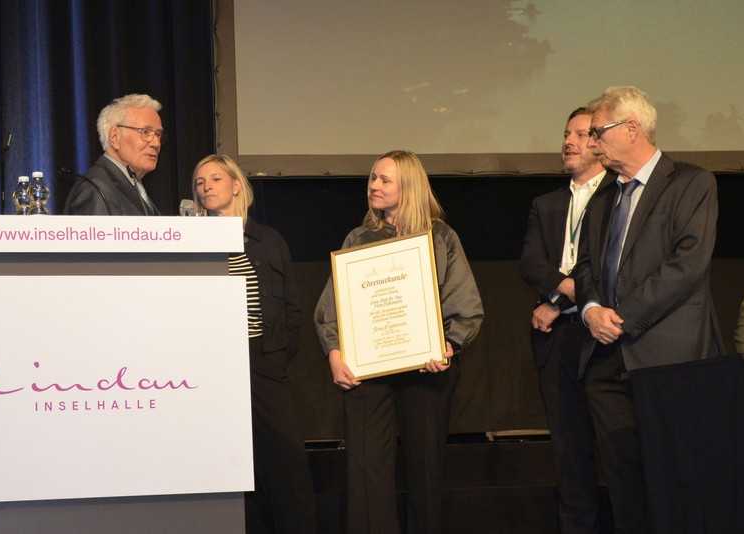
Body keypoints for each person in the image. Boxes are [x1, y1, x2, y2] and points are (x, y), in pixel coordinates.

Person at [574, 86, 723, 533]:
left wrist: (620, 316)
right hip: (606, 363)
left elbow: (687, 263)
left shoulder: (692, 184)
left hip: (667, 361)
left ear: (632, 129)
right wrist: (591, 310)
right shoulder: (601, 197)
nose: (591, 141)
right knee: (624, 485)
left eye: (598, 131)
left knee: (677, 480)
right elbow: (584, 267)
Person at [314, 150, 483, 534]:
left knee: (425, 472)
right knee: (367, 474)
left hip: (426, 371)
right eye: (372, 178)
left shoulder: (440, 237)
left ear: (409, 185)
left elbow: (466, 304)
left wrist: (449, 346)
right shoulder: (358, 238)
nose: (374, 185)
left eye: (384, 179)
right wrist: (335, 352)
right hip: (368, 374)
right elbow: (331, 306)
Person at [193, 154, 316, 534]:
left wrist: (276, 358)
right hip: (215, 368)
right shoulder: (191, 240)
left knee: (284, 461)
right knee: (231, 463)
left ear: (236, 185)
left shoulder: (268, 240)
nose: (206, 186)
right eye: (199, 182)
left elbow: (293, 308)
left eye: (215, 178)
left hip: (264, 362)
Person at [519, 107, 608, 534]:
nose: (569, 142)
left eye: (580, 134)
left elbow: (611, 269)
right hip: (558, 341)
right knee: (568, 452)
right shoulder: (546, 204)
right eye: (566, 133)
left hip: (604, 340)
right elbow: (533, 264)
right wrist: (565, 293)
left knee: (613, 446)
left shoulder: (617, 197)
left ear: (599, 142)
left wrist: (556, 301)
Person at [63, 93, 163, 215]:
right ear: (115, 137)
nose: (156, 143)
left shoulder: (132, 184)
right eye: (145, 132)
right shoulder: (96, 189)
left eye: (158, 134)